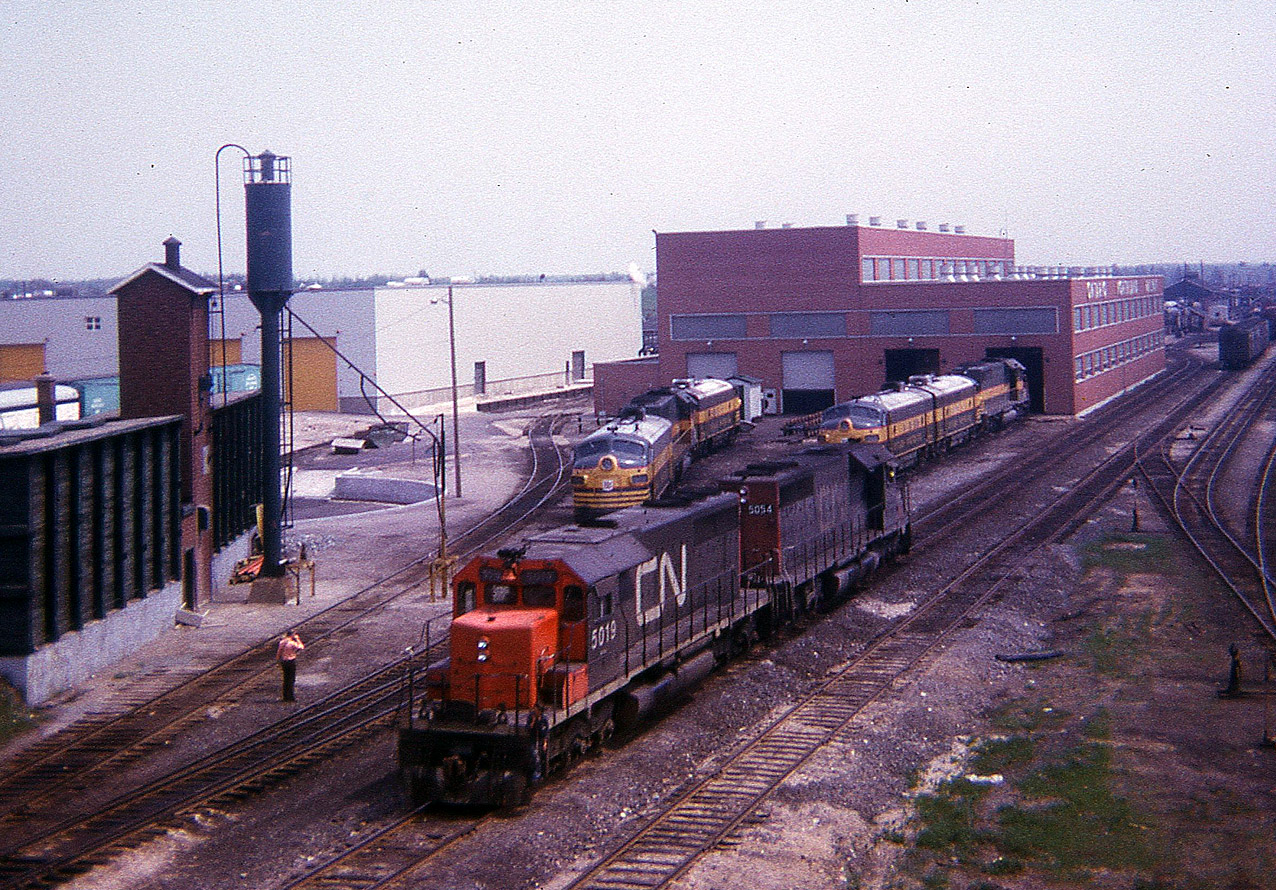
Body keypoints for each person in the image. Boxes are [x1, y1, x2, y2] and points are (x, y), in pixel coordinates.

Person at [277, 630, 305, 702]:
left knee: (285, 679)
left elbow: (279, 653)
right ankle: (291, 697)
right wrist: (297, 639)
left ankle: (285, 697)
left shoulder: (282, 642)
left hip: (284, 661)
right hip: (291, 661)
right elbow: (301, 647)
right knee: (291, 679)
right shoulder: (292, 643)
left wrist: (278, 661)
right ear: (292, 635)